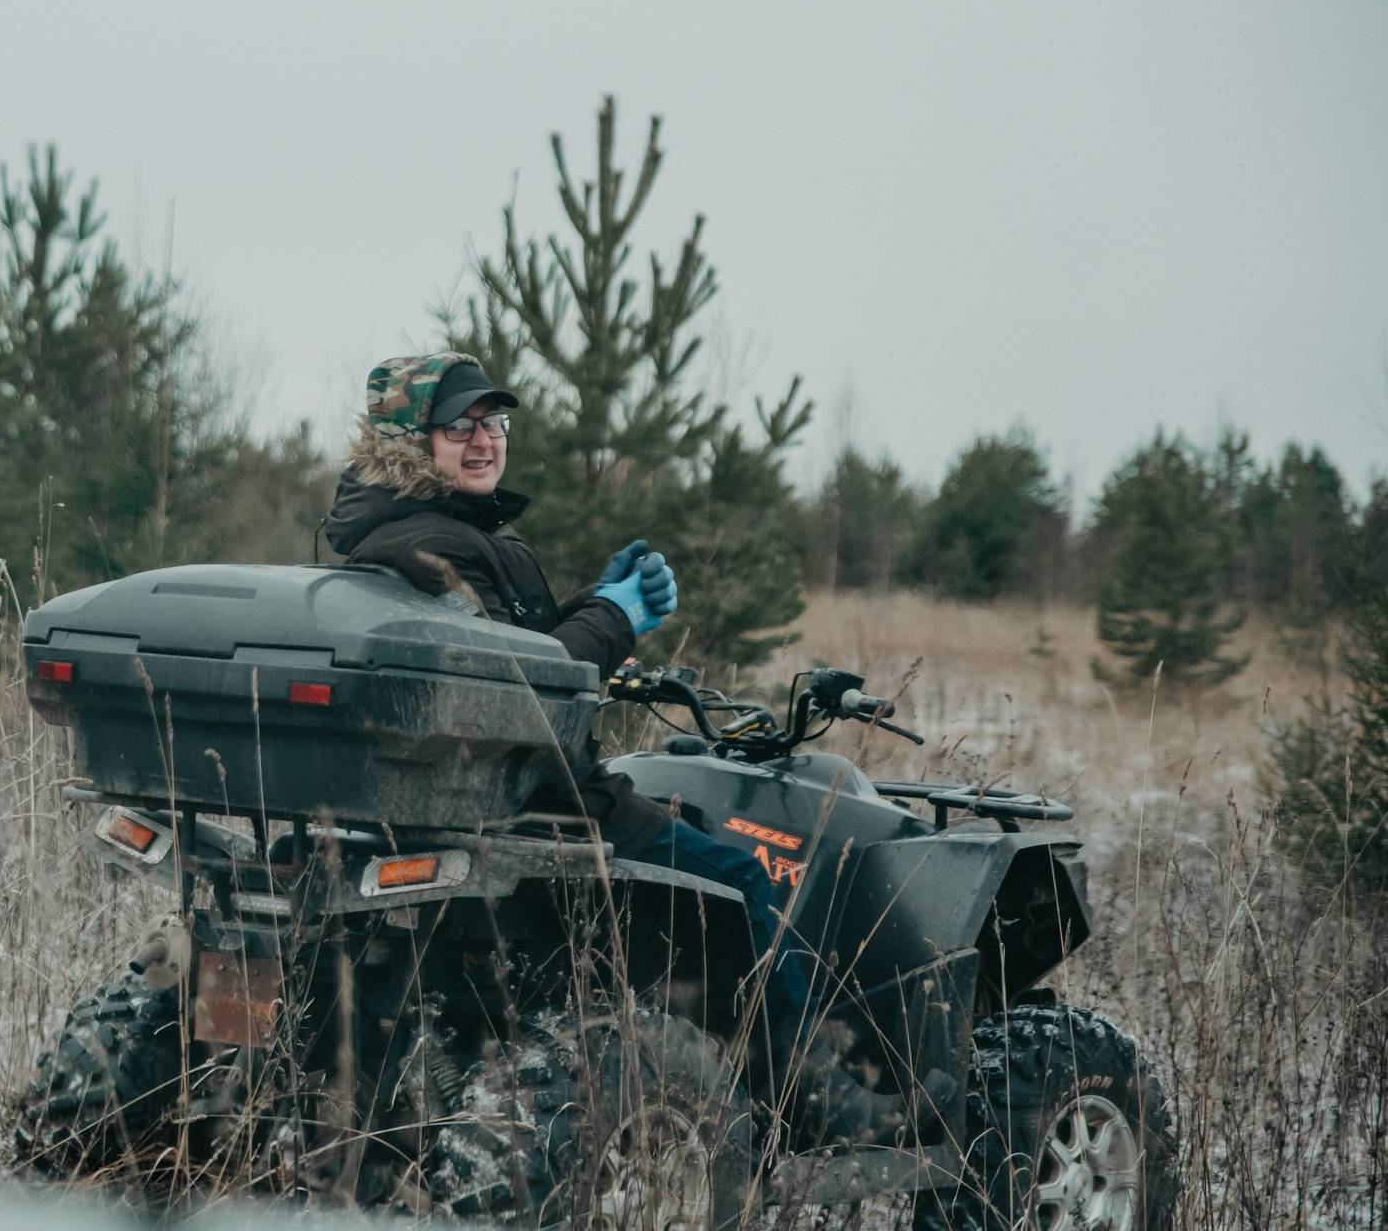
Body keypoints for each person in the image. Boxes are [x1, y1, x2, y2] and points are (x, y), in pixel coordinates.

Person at [322, 352, 934, 1145]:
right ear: (410, 440)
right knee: (740, 878)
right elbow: (521, 691)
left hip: (462, 800)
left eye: (493, 422)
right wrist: (612, 618)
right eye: (459, 427)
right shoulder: (431, 543)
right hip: (538, 803)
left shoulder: (392, 530)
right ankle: (810, 1097)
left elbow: (504, 650)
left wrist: (592, 606)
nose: (484, 441)